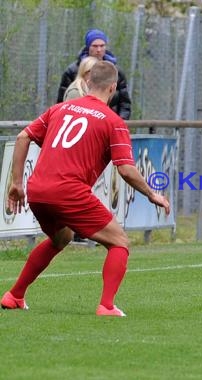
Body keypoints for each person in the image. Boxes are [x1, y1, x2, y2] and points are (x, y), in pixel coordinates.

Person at [1, 61, 170, 317]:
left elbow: (24, 136)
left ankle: (14, 296)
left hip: (37, 189)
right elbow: (125, 169)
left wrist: (16, 183)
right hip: (68, 191)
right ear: (113, 88)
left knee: (61, 238)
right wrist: (151, 193)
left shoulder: (59, 109)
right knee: (119, 242)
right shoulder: (113, 122)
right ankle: (107, 306)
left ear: (88, 82)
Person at [57, 28, 131, 120]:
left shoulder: (116, 71)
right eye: (95, 46)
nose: (99, 49)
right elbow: (61, 104)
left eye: (102, 45)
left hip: (110, 122)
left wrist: (119, 123)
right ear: (88, 47)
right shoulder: (73, 71)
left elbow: (125, 103)